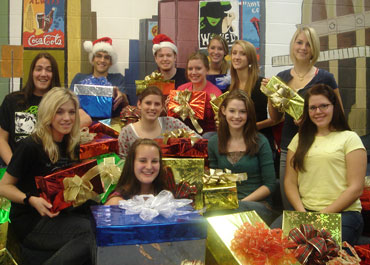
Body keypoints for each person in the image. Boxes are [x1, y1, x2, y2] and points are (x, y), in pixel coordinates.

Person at [0, 87, 94, 264]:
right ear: (48, 113)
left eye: (71, 112)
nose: (67, 118)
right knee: (89, 233)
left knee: (97, 223)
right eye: (59, 112)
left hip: (59, 214)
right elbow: (3, 187)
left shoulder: (70, 143)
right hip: (32, 222)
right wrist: (30, 199)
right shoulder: (31, 146)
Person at [272, 84, 366, 245]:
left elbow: (356, 188)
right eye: (312, 107)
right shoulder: (299, 139)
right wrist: (301, 213)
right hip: (306, 212)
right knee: (270, 242)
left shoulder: (350, 138)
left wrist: (321, 216)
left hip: (343, 215)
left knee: (314, 251)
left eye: (324, 106)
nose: (318, 112)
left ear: (334, 107)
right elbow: (290, 182)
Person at [263, 26, 343, 210]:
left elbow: (339, 116)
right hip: (288, 147)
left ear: (314, 49)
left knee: (315, 202)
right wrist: (270, 95)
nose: (303, 48)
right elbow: (276, 118)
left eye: (309, 44)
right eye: (299, 42)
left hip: (318, 148)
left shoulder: (326, 78)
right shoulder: (281, 78)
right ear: (293, 45)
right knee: (289, 205)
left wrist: (311, 122)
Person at [0, 52, 92, 167]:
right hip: (16, 166)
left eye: (49, 70)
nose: (43, 74)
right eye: (39, 69)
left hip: (50, 168)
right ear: (32, 72)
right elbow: (1, 139)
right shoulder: (12, 100)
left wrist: (63, 124)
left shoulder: (62, 102)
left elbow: (86, 118)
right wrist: (15, 166)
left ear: (54, 74)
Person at [208, 89, 277, 224]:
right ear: (223, 111)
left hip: (258, 204)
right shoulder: (213, 142)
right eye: (232, 111)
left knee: (231, 213)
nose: (237, 116)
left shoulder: (261, 141)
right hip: (226, 205)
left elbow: (270, 185)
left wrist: (239, 204)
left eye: (242, 112)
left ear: (248, 114)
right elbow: (215, 183)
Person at [118, 86, 200, 158]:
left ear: (162, 107)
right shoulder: (126, 133)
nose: (152, 107)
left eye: (157, 104)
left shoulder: (172, 123)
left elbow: (199, 140)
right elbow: (123, 164)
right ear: (139, 104)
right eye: (148, 103)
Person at [229, 40, 278, 152]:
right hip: (237, 140)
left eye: (243, 54)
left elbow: (277, 119)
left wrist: (255, 127)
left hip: (259, 141)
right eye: (234, 53)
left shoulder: (262, 84)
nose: (237, 57)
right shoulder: (230, 88)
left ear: (250, 59)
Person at [70, 36, 128, 118]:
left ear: (111, 62)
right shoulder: (79, 78)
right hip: (83, 124)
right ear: (92, 59)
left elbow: (126, 104)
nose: (102, 60)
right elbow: (69, 102)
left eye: (106, 57)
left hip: (110, 126)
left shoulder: (117, 79)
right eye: (99, 56)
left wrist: (122, 96)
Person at [105, 138, 168, 205]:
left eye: (154, 161)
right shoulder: (116, 202)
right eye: (143, 161)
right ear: (132, 163)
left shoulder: (167, 197)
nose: (149, 167)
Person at [177, 51, 222, 137]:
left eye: (198, 68)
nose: (193, 72)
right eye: (190, 69)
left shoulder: (215, 94)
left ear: (207, 70)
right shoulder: (181, 89)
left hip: (206, 138)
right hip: (184, 136)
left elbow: (220, 125)